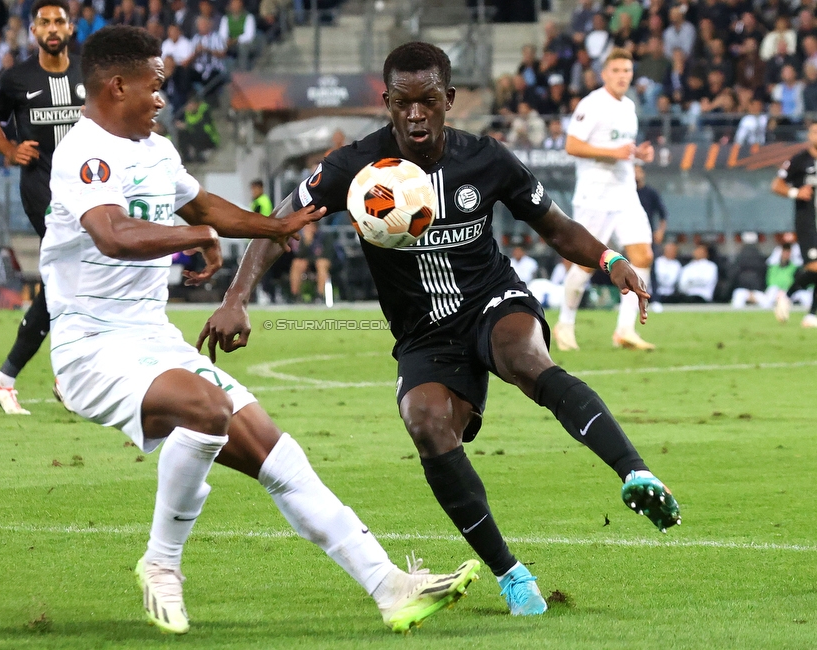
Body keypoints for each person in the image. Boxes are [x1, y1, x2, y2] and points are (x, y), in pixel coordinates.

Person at [199, 41, 681, 617]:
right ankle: (510, 572)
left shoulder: (487, 159)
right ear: (387, 103)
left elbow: (554, 226)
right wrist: (236, 296)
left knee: (528, 361)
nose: (415, 115)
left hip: (492, 301)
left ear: (449, 100)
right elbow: (279, 222)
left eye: (428, 101)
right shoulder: (356, 168)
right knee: (426, 424)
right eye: (403, 103)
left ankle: (636, 473)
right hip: (424, 334)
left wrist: (610, 262)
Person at [40, 25, 479, 635]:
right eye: (155, 85)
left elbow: (203, 208)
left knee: (277, 452)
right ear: (117, 86)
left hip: (149, 335)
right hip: (90, 343)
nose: (163, 97)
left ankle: (388, 586)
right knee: (207, 408)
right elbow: (113, 235)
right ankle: (162, 564)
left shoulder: (156, 149)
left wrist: (270, 228)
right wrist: (198, 238)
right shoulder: (83, 153)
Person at [0, 0, 85, 414]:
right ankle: (60, 377)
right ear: (34, 31)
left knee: (64, 282)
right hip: (42, 190)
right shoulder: (15, 78)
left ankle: (6, 378)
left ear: (70, 28)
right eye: (45, 22)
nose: (52, 28)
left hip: (85, 193)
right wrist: (9, 149)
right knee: (69, 276)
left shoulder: (86, 73)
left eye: (59, 21)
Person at [557, 48, 657, 352]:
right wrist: (613, 154)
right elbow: (572, 145)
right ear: (605, 74)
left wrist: (639, 155)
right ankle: (565, 322)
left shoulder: (628, 106)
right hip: (595, 197)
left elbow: (621, 147)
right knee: (587, 263)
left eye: (627, 71)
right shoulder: (592, 104)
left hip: (625, 194)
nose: (623, 76)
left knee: (643, 256)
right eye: (617, 70)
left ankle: (624, 330)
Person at [771, 121, 817, 328]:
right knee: (815, 267)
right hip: (808, 222)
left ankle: (813, 315)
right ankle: (786, 296)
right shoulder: (799, 161)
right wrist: (796, 192)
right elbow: (777, 184)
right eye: (815, 131)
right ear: (809, 134)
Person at [289, 222, 330, 303]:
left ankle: (319, 296)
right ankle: (295, 295)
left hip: (321, 262)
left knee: (321, 263)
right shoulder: (302, 237)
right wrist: (307, 242)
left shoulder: (325, 237)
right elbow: (299, 255)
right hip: (308, 262)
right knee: (297, 263)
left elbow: (326, 255)